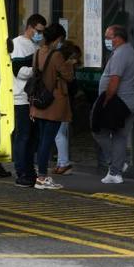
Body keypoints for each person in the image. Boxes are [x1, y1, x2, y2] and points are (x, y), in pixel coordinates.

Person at [92, 24, 134, 184]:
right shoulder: (128, 51)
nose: (106, 40)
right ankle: (116, 171)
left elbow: (114, 80)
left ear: (118, 38)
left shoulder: (121, 54)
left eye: (108, 37)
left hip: (120, 102)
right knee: (120, 136)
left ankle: (117, 165)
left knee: (98, 129)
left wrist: (105, 101)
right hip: (129, 101)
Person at [2, 14, 47, 187]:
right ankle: (22, 172)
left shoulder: (34, 45)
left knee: (31, 137)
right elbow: (18, 71)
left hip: (29, 98)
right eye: (38, 31)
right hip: (20, 98)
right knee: (24, 136)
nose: (40, 35)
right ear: (29, 27)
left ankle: (29, 171)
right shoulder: (19, 44)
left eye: (42, 32)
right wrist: (37, 69)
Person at [30, 24, 75, 190]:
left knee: (43, 139)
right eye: (61, 40)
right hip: (53, 104)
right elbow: (68, 76)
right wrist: (70, 63)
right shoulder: (56, 55)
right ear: (57, 39)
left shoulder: (37, 52)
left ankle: (41, 175)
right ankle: (42, 177)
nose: (60, 43)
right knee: (47, 142)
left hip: (40, 102)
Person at [52, 40, 81, 176]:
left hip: (64, 103)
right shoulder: (67, 66)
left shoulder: (67, 67)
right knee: (60, 133)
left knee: (59, 134)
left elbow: (70, 86)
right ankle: (60, 163)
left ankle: (64, 163)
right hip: (65, 103)